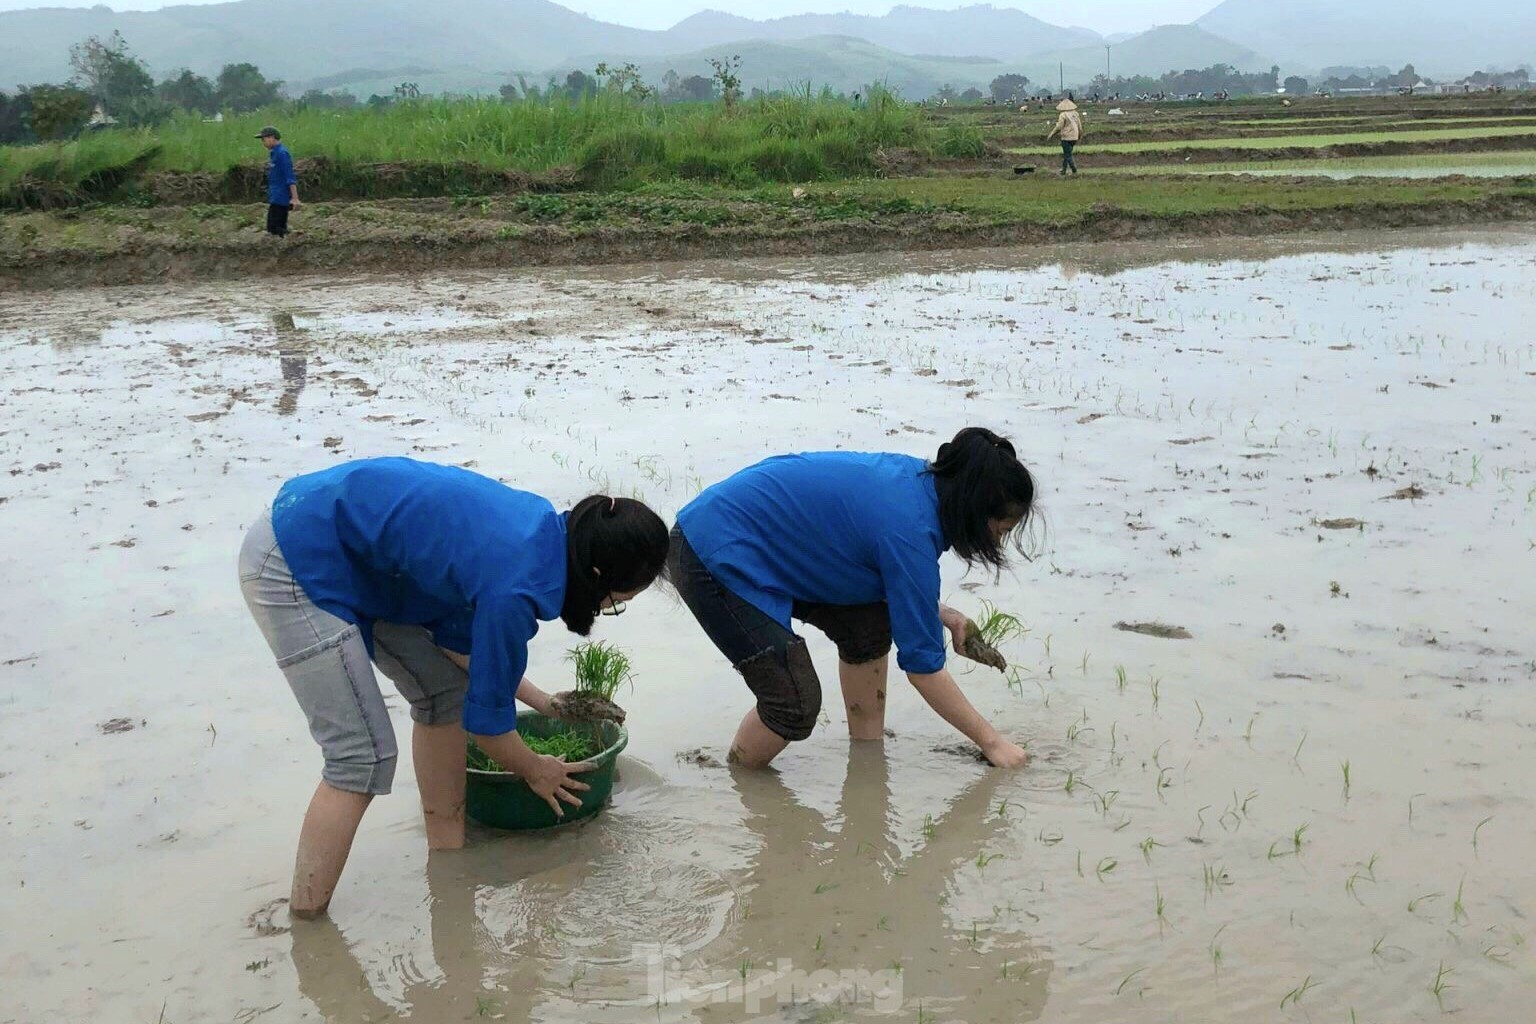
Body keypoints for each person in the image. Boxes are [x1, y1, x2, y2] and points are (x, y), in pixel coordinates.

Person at [238, 457, 669, 918]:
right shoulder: (515, 590)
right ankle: (306, 922)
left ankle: (447, 865)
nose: (606, 610)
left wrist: (545, 702)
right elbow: (488, 730)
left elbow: (462, 653)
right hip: (296, 554)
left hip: (358, 556)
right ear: (599, 575)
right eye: (617, 603)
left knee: (445, 695)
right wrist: (535, 768)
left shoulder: (541, 537)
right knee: (360, 756)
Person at [670, 427, 1037, 770]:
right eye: (1001, 530)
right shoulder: (909, 531)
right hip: (711, 550)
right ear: (974, 509)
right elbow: (924, 669)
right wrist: (992, 743)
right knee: (793, 703)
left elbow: (883, 566)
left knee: (869, 626)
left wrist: (944, 614)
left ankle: (867, 759)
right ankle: (741, 784)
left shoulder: (918, 487)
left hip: (767, 544)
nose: (999, 542)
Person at [257, 125, 299, 237]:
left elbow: (289, 176)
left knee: (273, 228)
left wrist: (294, 198)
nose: (263, 142)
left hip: (281, 197)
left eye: (263, 139)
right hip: (275, 196)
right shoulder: (274, 153)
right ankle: (289, 241)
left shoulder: (282, 153)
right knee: (276, 228)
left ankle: (295, 237)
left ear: (272, 137)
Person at [1045, 96, 1083, 176]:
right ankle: (1064, 170)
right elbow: (1079, 126)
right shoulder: (1075, 113)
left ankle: (1074, 170)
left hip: (1066, 137)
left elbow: (1059, 127)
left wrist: (1051, 134)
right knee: (1067, 154)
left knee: (1068, 155)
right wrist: (1080, 135)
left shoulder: (1063, 115)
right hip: (1074, 137)